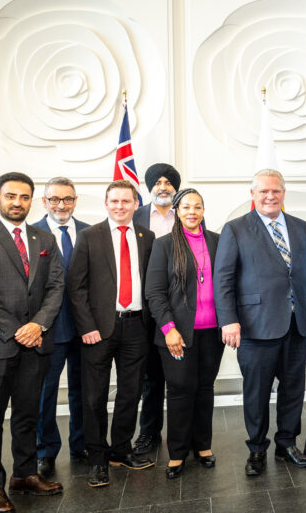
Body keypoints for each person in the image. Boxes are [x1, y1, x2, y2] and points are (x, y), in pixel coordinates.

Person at [0, 172, 65, 512]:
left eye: (24, 196)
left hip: (36, 344)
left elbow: (55, 287)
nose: (17, 202)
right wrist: (18, 330)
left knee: (27, 415)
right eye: (10, 196)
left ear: (32, 200)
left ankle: (25, 474)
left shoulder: (44, 237)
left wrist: (38, 324)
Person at [216, 169, 306, 476]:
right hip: (254, 327)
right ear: (252, 194)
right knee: (256, 392)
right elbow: (223, 280)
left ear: (283, 193)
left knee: (293, 389)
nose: (270, 196)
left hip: (296, 325)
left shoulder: (300, 227)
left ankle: (286, 444)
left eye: (276, 191)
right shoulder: (235, 229)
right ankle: (256, 449)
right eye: (264, 191)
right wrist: (228, 321)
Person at [68, 180, 156, 488]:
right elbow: (75, 288)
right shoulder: (89, 236)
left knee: (131, 393)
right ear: (106, 204)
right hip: (98, 330)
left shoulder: (148, 237)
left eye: (126, 201)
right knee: (94, 397)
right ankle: (96, 459)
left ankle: (121, 450)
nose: (120, 206)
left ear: (135, 204)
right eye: (114, 201)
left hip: (136, 327)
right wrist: (87, 326)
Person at [145, 189, 224, 479]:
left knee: (205, 389)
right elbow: (154, 293)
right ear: (177, 211)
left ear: (204, 210)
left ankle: (202, 445)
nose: (192, 211)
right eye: (186, 207)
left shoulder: (217, 241)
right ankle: (177, 453)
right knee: (179, 391)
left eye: (198, 206)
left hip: (212, 332)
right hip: (177, 334)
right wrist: (169, 329)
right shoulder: (164, 245)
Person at [33, 177, 90, 477]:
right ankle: (45, 451)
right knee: (46, 394)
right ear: (44, 202)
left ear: (75, 201)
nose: (61, 205)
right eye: (54, 199)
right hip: (47, 330)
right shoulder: (31, 234)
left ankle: (80, 445)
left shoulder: (90, 233)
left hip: (84, 329)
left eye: (67, 199)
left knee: (84, 391)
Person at [132, 162, 180, 456]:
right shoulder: (135, 216)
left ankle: (181, 434)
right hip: (143, 311)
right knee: (150, 379)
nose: (163, 187)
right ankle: (149, 434)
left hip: (180, 311)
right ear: (149, 188)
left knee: (180, 378)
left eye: (168, 182)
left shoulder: (188, 214)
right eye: (157, 182)